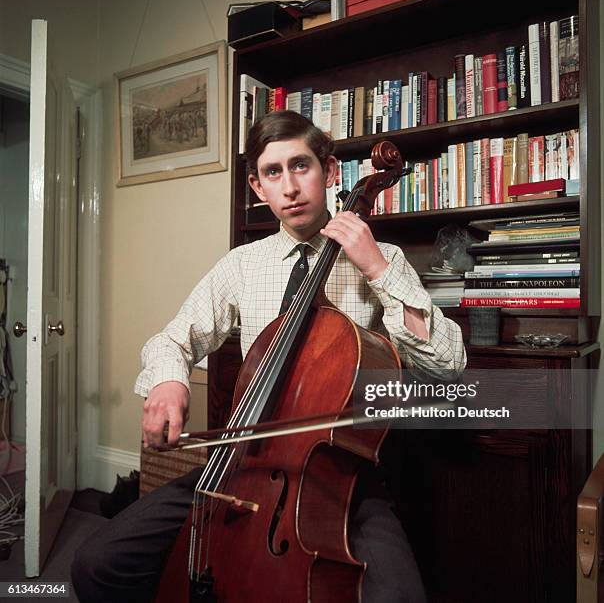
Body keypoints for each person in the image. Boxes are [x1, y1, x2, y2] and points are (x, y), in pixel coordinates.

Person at [71, 110, 466, 602]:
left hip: (341, 473)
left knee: (399, 596)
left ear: (329, 171)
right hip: (240, 461)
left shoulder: (382, 256)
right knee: (97, 565)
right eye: (273, 173)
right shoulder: (242, 265)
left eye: (301, 166)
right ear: (258, 188)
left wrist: (378, 269)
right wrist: (168, 381)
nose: (290, 187)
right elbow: (172, 339)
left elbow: (447, 364)